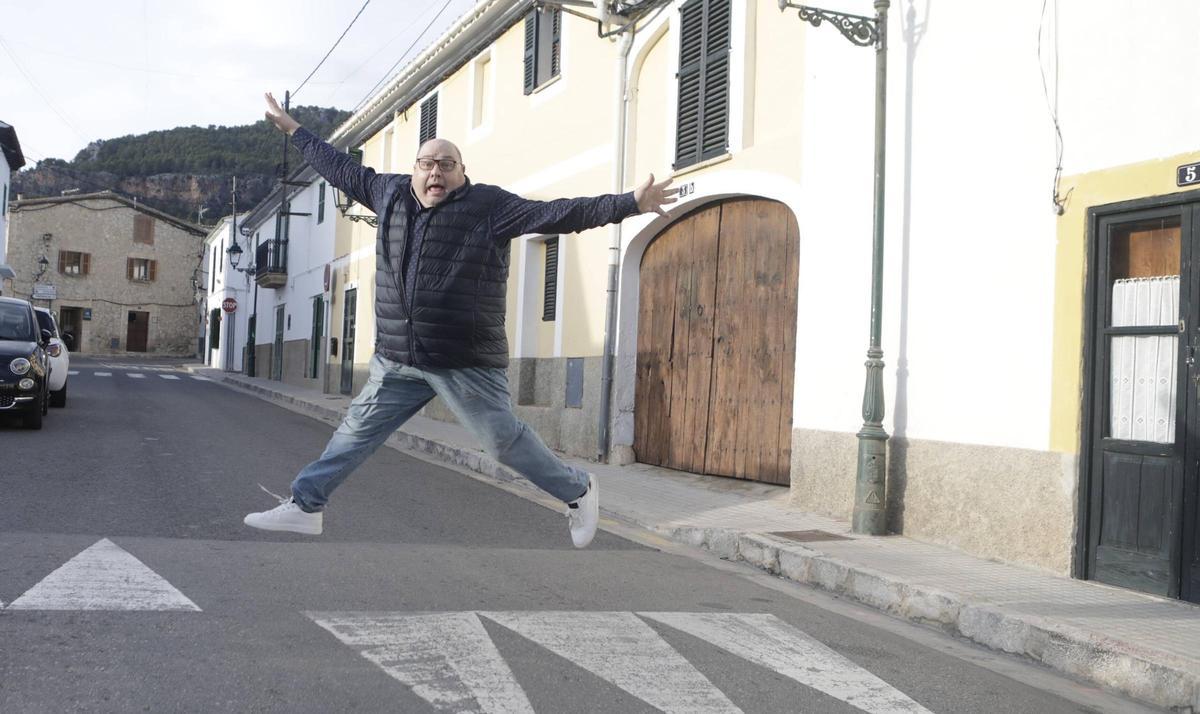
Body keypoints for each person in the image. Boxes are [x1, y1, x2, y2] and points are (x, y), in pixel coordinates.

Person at [244, 92, 676, 548]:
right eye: (427, 162)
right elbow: (338, 166)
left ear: (461, 172)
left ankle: (578, 489)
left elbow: (559, 213)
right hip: (399, 358)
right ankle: (306, 507)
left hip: (463, 359)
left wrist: (630, 202)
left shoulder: (488, 207)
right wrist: (295, 131)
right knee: (354, 434)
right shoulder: (386, 192)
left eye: (447, 164)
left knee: (502, 442)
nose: (436, 171)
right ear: (413, 170)